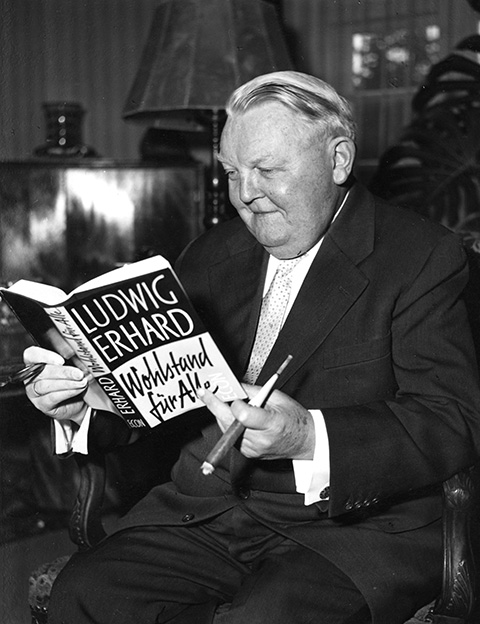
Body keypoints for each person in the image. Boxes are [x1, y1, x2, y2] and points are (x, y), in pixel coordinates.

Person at [23, 71, 480, 624]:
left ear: (338, 160)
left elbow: (453, 419)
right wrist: (90, 402)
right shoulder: (212, 253)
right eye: (233, 172)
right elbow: (167, 391)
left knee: (263, 616)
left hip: (349, 530)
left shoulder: (420, 256)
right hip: (205, 512)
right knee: (87, 591)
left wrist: (310, 437)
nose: (245, 195)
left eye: (266, 170)